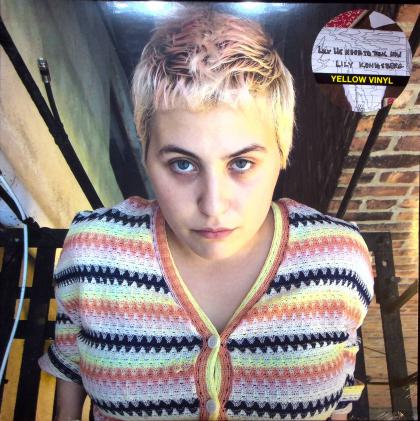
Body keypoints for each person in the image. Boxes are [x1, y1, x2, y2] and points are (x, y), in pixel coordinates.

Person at [39, 5, 374, 421]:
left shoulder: (339, 262)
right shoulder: (92, 253)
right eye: (182, 164)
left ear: (282, 152)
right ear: (146, 155)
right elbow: (71, 357)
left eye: (241, 163)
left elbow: (341, 380)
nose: (213, 205)